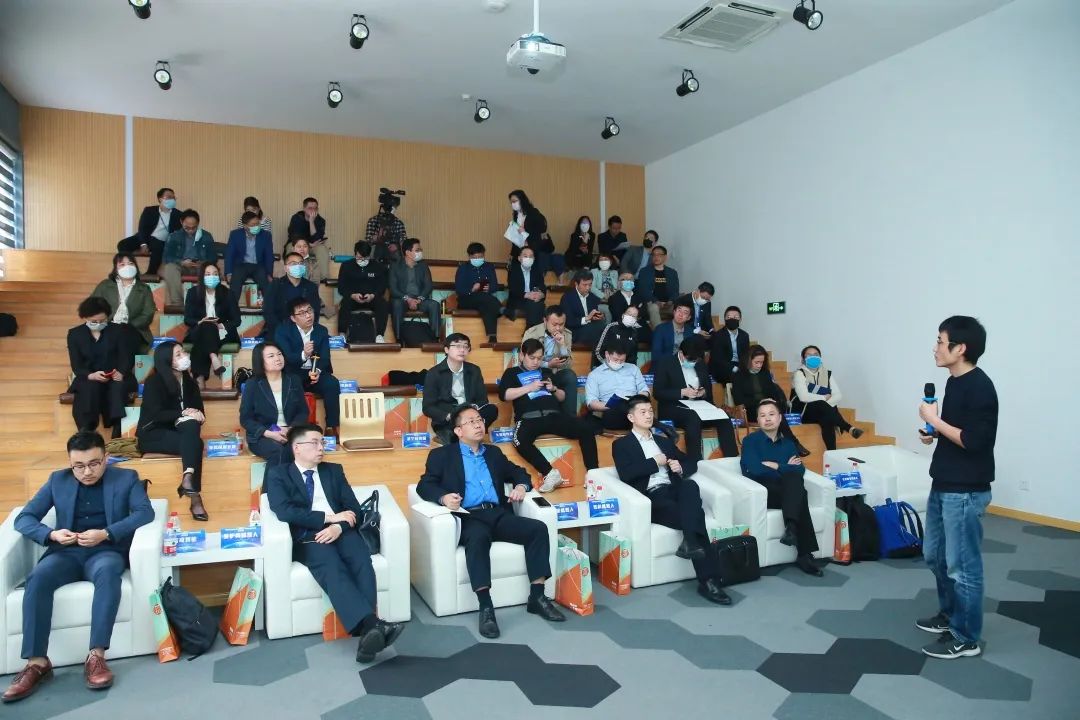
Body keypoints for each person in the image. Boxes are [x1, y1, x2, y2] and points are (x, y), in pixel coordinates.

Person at [2, 432, 154, 703]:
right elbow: (24, 518)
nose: (87, 472)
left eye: (94, 464)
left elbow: (145, 512)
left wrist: (106, 533)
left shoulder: (126, 478)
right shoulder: (57, 480)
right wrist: (52, 534)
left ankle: (96, 656)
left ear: (106, 458)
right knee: (38, 577)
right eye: (79, 466)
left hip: (105, 550)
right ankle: (37, 663)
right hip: (66, 552)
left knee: (108, 574)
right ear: (70, 463)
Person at [416, 405, 566, 638]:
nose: (478, 425)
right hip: (470, 517)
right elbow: (424, 485)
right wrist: (443, 497)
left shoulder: (493, 453)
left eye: (480, 420)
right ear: (458, 431)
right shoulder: (442, 456)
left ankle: (537, 597)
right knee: (477, 539)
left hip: (498, 514)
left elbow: (519, 472)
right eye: (471, 421)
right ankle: (486, 607)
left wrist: (520, 486)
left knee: (537, 529)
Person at [265, 424, 404, 663]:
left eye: (323, 442)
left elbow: (354, 509)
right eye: (315, 443)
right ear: (297, 448)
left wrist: (338, 527)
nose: (321, 447)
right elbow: (284, 511)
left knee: (361, 560)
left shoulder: (333, 471)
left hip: (341, 530)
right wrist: (328, 518)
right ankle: (372, 625)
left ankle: (369, 632)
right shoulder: (279, 474)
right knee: (331, 565)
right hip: (309, 536)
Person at [915, 316, 998, 660]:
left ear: (959, 348)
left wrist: (934, 420)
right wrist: (934, 432)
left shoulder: (980, 387)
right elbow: (957, 431)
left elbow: (975, 441)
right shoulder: (954, 382)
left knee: (963, 567)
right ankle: (951, 616)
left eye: (940, 341)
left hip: (965, 490)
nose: (935, 348)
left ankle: (967, 637)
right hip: (944, 481)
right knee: (934, 556)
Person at [613, 396, 732, 605]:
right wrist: (654, 462)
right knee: (696, 516)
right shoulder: (621, 444)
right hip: (652, 497)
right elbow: (626, 474)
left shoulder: (663, 441)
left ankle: (690, 543)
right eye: (643, 412)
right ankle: (709, 580)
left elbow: (691, 461)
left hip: (674, 490)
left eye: (650, 411)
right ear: (631, 417)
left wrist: (680, 467)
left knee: (690, 485)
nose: (649, 415)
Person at [499, 338, 599, 492]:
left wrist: (554, 389)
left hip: (553, 415)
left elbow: (562, 397)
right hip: (529, 418)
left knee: (586, 428)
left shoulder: (546, 372)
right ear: (522, 355)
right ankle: (550, 473)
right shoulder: (511, 373)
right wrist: (529, 387)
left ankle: (593, 473)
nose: (535, 362)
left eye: (539, 358)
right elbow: (505, 395)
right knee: (519, 440)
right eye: (532, 358)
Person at [740, 399, 823, 577]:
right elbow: (755, 469)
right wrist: (785, 467)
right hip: (762, 492)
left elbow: (799, 470)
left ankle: (792, 529)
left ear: (779, 418)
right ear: (758, 420)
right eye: (763, 415)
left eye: (771, 414)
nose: (767, 419)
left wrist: (776, 466)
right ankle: (804, 553)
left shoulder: (788, 444)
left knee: (795, 483)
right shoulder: (750, 441)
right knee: (799, 491)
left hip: (785, 490)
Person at [136, 342, 207, 521]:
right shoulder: (154, 382)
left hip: (182, 432)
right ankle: (195, 497)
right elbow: (156, 414)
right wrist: (183, 413)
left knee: (192, 428)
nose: (184, 356)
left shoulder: (190, 383)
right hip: (154, 433)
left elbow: (199, 410)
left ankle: (188, 477)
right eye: (178, 354)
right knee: (196, 444)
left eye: (183, 352)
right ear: (167, 360)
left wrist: (198, 415)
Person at [654, 337, 739, 460]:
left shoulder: (700, 364)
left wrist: (703, 392)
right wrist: (682, 392)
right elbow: (658, 393)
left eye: (696, 360)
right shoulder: (666, 363)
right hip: (673, 408)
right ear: (681, 353)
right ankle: (695, 461)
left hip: (699, 406)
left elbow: (708, 391)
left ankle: (732, 459)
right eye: (690, 359)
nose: (693, 362)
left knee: (723, 416)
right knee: (693, 417)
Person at [67, 297, 133, 438]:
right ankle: (87, 432)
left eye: (102, 321)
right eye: (94, 321)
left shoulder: (118, 331)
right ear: (85, 318)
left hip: (114, 375)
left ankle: (117, 431)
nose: (98, 324)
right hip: (89, 377)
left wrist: (121, 372)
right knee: (89, 389)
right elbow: (77, 365)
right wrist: (91, 375)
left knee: (118, 388)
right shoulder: (75, 334)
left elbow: (126, 357)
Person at [274, 298, 339, 437]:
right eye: (302, 313)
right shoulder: (283, 331)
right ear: (293, 318)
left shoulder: (321, 331)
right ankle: (295, 428)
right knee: (293, 382)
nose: (308, 315)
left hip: (314, 373)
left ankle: (332, 426)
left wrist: (317, 372)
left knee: (332, 383)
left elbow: (325, 358)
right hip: (293, 373)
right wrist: (304, 354)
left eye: (309, 310)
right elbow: (286, 358)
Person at [240, 342, 308, 470]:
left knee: (301, 449)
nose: (277, 358)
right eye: (271, 356)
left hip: (291, 432)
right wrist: (268, 433)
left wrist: (290, 430)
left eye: (279, 354)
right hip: (263, 435)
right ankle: (274, 484)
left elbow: (303, 412)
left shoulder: (293, 380)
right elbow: (246, 419)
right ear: (260, 361)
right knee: (279, 451)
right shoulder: (253, 384)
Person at [421, 333, 498, 445]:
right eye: (457, 346)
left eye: (465, 346)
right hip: (449, 417)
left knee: (492, 409)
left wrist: (470, 412)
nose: (462, 350)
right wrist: (449, 416)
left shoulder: (474, 370)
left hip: (469, 413)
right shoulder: (434, 373)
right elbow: (428, 407)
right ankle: (464, 435)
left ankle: (460, 435)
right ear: (446, 349)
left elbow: (483, 400)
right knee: (451, 423)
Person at [791, 345, 863, 451]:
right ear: (803, 359)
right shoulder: (799, 373)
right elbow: (803, 397)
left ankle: (832, 452)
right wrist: (824, 398)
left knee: (827, 418)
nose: (813, 357)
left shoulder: (827, 374)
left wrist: (824, 405)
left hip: (821, 412)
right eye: (809, 355)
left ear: (820, 357)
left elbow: (838, 395)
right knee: (823, 406)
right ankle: (847, 427)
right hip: (803, 412)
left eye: (816, 355)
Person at [91, 253, 156, 363]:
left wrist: (128, 326)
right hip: (107, 327)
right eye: (122, 264)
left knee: (123, 337)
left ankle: (121, 369)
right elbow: (93, 306)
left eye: (130, 263)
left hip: (134, 329)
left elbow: (148, 313)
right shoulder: (105, 286)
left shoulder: (144, 289)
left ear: (136, 266)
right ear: (115, 268)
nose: (127, 267)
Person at [183, 261, 240, 385]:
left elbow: (237, 320)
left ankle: (199, 381)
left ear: (219, 276)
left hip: (222, 333)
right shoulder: (193, 293)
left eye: (215, 274)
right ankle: (213, 356)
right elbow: (187, 319)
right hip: (199, 330)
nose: (212, 276)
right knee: (206, 326)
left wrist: (220, 325)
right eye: (208, 274)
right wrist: (200, 321)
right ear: (202, 276)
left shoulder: (228, 293)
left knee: (202, 339)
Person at [521, 307, 578, 416]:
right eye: (554, 324)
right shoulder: (532, 333)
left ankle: (570, 418)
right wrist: (548, 364)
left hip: (555, 373)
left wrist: (562, 346)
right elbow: (524, 360)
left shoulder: (567, 334)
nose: (558, 328)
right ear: (545, 321)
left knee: (570, 375)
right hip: (535, 373)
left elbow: (568, 365)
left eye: (561, 324)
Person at [584, 338, 650, 432]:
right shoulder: (595, 375)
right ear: (607, 354)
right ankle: (657, 426)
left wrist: (637, 399)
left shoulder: (633, 369)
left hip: (633, 409)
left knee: (641, 409)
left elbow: (644, 390)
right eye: (615, 360)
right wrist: (611, 405)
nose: (619, 363)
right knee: (621, 407)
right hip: (611, 412)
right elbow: (591, 403)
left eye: (622, 360)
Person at [117, 187, 180, 275]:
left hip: (161, 241)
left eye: (173, 197)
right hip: (145, 237)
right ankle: (130, 270)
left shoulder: (178, 214)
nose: (172, 199)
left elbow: (177, 234)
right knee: (123, 244)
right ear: (160, 199)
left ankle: (151, 273)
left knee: (158, 244)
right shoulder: (149, 210)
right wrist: (143, 244)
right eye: (169, 197)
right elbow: (142, 228)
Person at [161, 210, 217, 306]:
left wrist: (203, 263)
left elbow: (213, 257)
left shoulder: (206, 236)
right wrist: (181, 262)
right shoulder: (174, 236)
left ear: (198, 223)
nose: (190, 230)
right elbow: (167, 257)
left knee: (210, 270)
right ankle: (177, 303)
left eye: (193, 227)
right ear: (181, 222)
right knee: (169, 268)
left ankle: (205, 302)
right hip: (181, 266)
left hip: (200, 266)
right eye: (187, 228)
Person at [337, 240, 389, 343]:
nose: (363, 260)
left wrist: (373, 295)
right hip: (353, 297)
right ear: (355, 254)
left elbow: (382, 286)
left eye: (366, 257)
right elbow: (341, 287)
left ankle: (380, 335)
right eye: (360, 257)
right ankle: (342, 334)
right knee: (345, 303)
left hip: (372, 298)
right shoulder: (346, 266)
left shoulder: (377, 266)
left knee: (382, 304)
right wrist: (352, 295)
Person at [389, 238, 440, 341]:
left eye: (420, 250)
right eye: (417, 250)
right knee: (396, 304)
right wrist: (408, 299)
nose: (420, 252)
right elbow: (393, 289)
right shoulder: (395, 266)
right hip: (402, 299)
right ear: (408, 252)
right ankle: (398, 340)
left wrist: (419, 299)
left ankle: (435, 339)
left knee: (434, 305)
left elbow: (428, 286)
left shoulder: (423, 265)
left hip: (419, 299)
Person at [455, 242, 503, 344]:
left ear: (484, 255)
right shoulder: (463, 268)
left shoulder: (489, 267)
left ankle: (492, 338)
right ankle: (501, 308)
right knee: (483, 297)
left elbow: (495, 286)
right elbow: (459, 290)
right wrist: (472, 289)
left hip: (485, 301)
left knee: (486, 305)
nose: (478, 259)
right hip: (466, 300)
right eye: (475, 257)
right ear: (469, 257)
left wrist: (489, 288)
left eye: (480, 257)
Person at [264, 252, 321, 337]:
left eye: (301, 263)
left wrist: (303, 331)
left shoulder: (311, 287)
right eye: (294, 264)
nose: (298, 266)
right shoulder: (276, 285)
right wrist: (282, 330)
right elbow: (268, 312)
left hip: (304, 332)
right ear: (286, 268)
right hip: (279, 331)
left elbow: (315, 312)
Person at [225, 211, 274, 308]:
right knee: (235, 284)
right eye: (253, 225)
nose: (256, 226)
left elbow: (269, 256)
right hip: (241, 265)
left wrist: (269, 273)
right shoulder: (235, 234)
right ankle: (231, 309)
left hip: (258, 266)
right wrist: (228, 273)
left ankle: (270, 309)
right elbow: (230, 254)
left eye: (257, 223)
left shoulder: (266, 235)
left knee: (266, 285)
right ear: (245, 226)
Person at [732, 344, 789, 416]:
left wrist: (773, 401)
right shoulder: (739, 376)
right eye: (756, 362)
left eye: (761, 362)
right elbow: (739, 401)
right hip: (750, 410)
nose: (759, 365)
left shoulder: (765, 373)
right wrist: (761, 402)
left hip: (767, 407)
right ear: (748, 360)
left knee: (778, 411)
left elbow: (773, 391)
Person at [636, 245, 680, 330]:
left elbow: (675, 291)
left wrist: (670, 301)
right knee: (654, 307)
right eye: (654, 255)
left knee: (682, 308)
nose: (656, 257)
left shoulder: (672, 272)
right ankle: (659, 333)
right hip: (651, 303)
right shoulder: (645, 271)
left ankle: (680, 334)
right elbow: (643, 291)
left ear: (665, 257)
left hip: (668, 304)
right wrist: (656, 301)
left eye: (659, 254)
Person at [505, 246, 548, 329]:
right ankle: (531, 330)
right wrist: (527, 295)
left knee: (536, 303)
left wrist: (541, 294)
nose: (528, 258)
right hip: (518, 299)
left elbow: (541, 285)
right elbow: (513, 289)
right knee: (536, 305)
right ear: (519, 258)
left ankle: (529, 330)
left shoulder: (537, 270)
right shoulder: (513, 270)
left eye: (531, 256)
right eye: (525, 256)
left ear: (534, 259)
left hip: (533, 299)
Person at [287, 197, 329, 280]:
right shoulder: (296, 218)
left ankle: (323, 278)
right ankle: (290, 276)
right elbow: (294, 237)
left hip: (314, 246)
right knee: (290, 247)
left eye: (315, 208)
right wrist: (308, 245)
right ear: (304, 209)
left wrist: (311, 221)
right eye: (310, 208)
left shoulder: (321, 221)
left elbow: (316, 239)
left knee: (322, 249)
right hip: (298, 244)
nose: (313, 210)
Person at [561, 271, 606, 346]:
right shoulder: (567, 298)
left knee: (603, 326)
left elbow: (594, 316)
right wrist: (587, 318)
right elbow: (568, 321)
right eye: (585, 285)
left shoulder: (593, 298)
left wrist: (599, 316)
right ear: (576, 284)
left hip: (591, 329)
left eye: (590, 284)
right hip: (575, 331)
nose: (588, 287)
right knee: (596, 329)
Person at [506, 189, 551, 262]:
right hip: (520, 249)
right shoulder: (516, 215)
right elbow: (516, 237)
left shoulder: (533, 212)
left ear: (522, 200)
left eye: (514, 201)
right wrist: (512, 254)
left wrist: (525, 232)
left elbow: (542, 229)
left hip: (533, 249)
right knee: (515, 266)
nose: (512, 204)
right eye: (511, 202)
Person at [709, 305, 750, 384]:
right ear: (725, 319)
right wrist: (735, 369)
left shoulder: (744, 335)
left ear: (740, 319)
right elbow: (718, 359)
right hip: (723, 366)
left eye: (735, 317)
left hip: (739, 364)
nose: (732, 319)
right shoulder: (718, 335)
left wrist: (743, 367)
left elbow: (746, 355)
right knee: (736, 377)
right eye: (729, 317)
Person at [593, 304, 642, 368]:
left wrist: (630, 368)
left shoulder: (634, 333)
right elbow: (598, 350)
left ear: (637, 319)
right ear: (623, 315)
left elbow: (633, 356)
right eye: (629, 314)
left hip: (624, 368)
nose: (631, 317)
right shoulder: (611, 327)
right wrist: (608, 364)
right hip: (605, 366)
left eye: (634, 316)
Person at [364, 196, 407, 264]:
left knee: (399, 254)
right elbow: (368, 240)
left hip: (392, 249)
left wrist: (397, 246)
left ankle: (395, 270)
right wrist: (377, 237)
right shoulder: (373, 221)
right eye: (393, 207)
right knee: (370, 252)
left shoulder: (398, 222)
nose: (395, 209)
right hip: (376, 247)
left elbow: (404, 240)